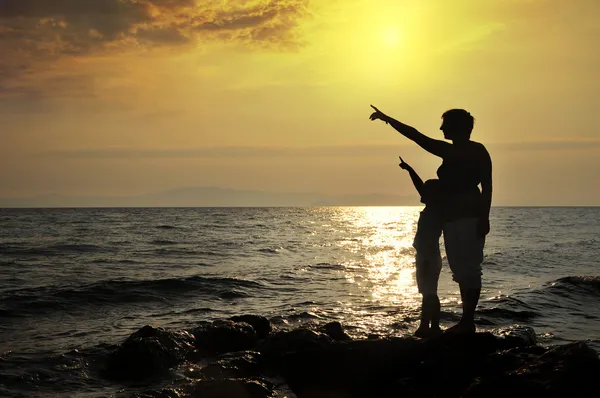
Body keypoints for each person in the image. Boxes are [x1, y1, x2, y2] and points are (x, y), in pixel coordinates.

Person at [370, 105, 492, 334]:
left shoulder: (474, 151)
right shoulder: (451, 151)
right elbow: (417, 136)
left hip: (469, 217)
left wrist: (485, 217)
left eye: (445, 125)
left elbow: (487, 186)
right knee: (460, 270)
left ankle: (468, 322)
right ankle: (465, 322)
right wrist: (389, 120)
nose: (441, 128)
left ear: (457, 127)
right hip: (451, 219)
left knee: (469, 270)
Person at [399, 156, 443, 337]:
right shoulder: (433, 208)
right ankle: (430, 326)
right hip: (426, 255)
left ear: (431, 195)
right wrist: (410, 169)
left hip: (428, 256)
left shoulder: (436, 211)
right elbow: (420, 187)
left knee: (429, 293)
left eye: (425, 191)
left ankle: (429, 326)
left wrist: (424, 260)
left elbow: (422, 189)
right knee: (428, 293)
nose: (421, 193)